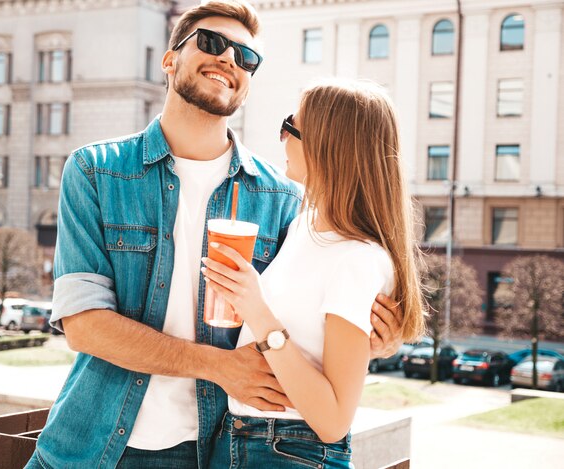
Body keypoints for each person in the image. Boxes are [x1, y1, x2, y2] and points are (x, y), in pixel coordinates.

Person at [25, 2, 404, 468]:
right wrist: (218, 366)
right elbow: (83, 325)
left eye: (246, 58)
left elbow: (314, 307)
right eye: (211, 43)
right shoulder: (96, 170)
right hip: (88, 445)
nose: (229, 59)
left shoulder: (283, 197)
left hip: (211, 450)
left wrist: (377, 335)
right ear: (169, 60)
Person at [202, 79, 426, 468]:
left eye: (291, 126)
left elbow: (333, 421)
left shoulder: (358, 257)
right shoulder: (305, 225)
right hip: (242, 438)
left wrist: (257, 311)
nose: (282, 136)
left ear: (327, 148)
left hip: (290, 450)